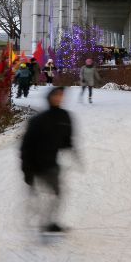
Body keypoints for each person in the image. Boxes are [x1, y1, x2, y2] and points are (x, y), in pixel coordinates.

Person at [20, 86, 77, 234]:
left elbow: (67, 138)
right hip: (35, 164)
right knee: (47, 194)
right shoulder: (38, 120)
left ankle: (49, 222)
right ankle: (43, 219)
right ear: (49, 97)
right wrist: (27, 171)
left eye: (61, 95)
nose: (58, 98)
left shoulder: (65, 116)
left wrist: (72, 149)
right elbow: (25, 147)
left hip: (51, 163)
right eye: (55, 95)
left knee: (57, 193)